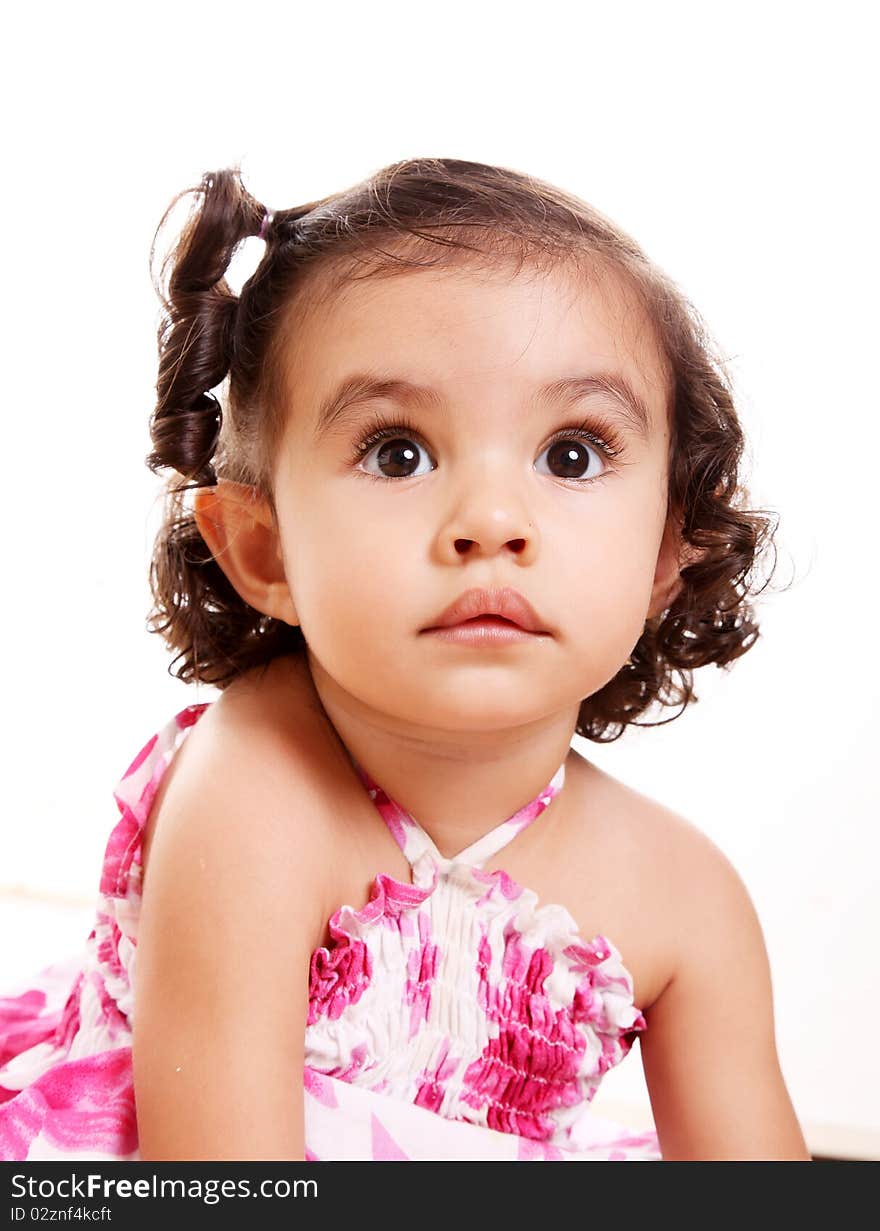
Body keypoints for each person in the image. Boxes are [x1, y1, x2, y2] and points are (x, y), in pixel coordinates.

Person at [0, 158, 811, 1162]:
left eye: (570, 454)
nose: (489, 522)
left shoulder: (686, 898)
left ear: (663, 551)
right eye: (397, 451)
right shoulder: (253, 792)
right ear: (264, 548)